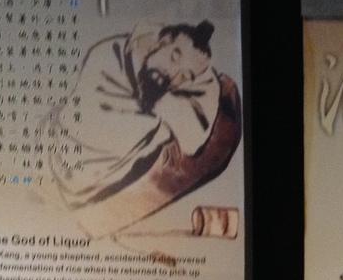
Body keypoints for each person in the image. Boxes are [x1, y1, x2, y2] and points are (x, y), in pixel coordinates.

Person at [48, 20, 242, 238]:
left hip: (99, 181)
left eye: (185, 76)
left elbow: (193, 137)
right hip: (84, 177)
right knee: (203, 145)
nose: (172, 74)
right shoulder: (109, 55)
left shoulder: (159, 80)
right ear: (161, 41)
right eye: (174, 56)